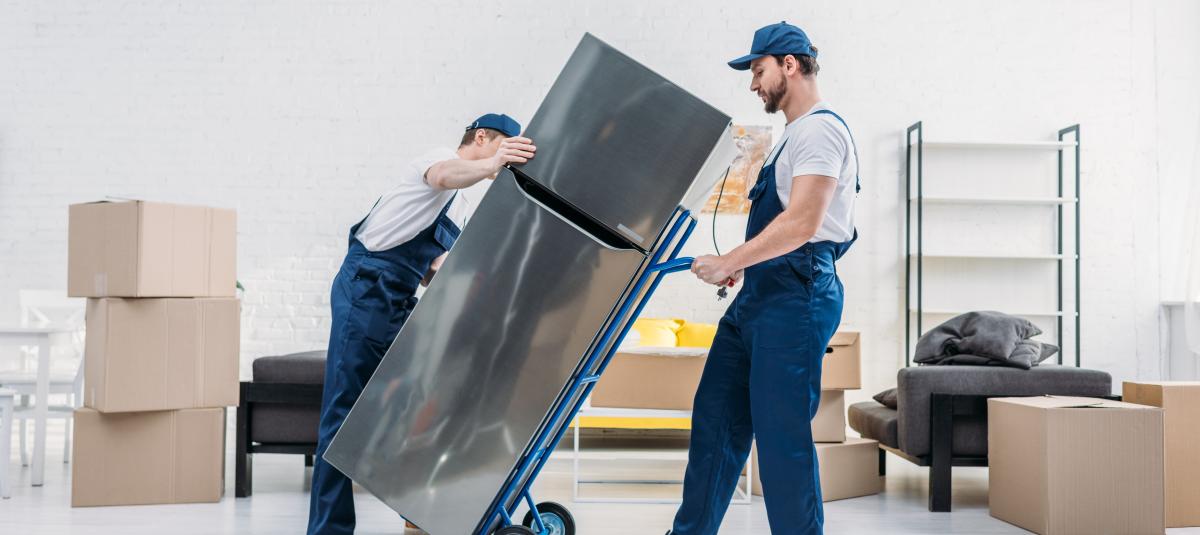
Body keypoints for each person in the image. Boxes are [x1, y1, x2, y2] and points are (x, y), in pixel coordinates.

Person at [671, 22, 860, 535]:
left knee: (780, 440)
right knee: (716, 421)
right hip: (761, 296)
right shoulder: (793, 136)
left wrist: (732, 259)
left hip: (797, 298)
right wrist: (746, 266)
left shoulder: (820, 130)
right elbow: (781, 224)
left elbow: (803, 223)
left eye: (758, 70)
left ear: (789, 65)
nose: (753, 84)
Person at [307, 113, 536, 535]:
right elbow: (445, 175)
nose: (507, 161)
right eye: (504, 147)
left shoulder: (463, 202)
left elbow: (436, 265)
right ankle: (328, 531)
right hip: (366, 288)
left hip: (398, 299)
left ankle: (418, 518)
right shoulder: (439, 160)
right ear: (482, 136)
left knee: (419, 405)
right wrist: (492, 164)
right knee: (342, 417)